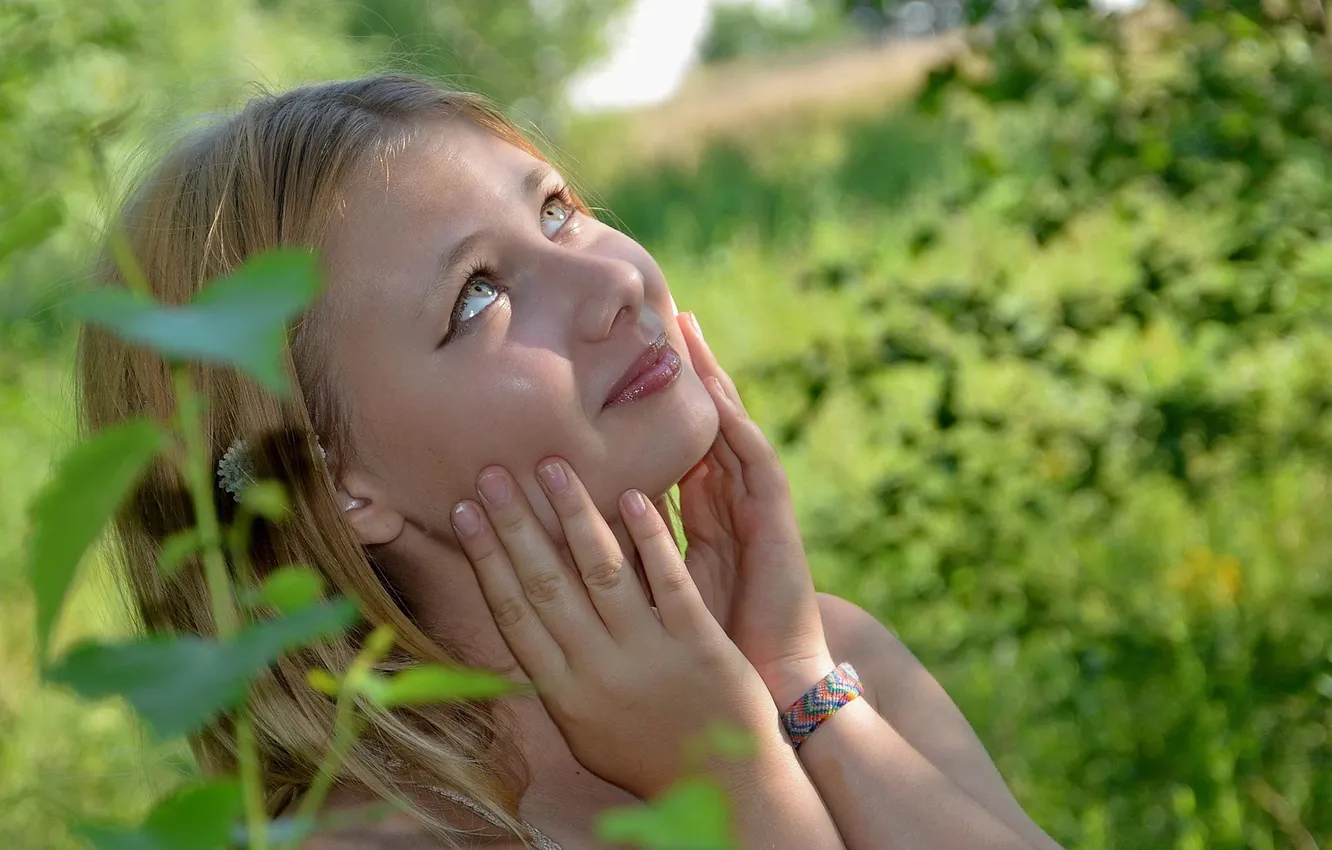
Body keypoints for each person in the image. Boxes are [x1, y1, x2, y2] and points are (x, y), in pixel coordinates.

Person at [76, 75, 1064, 849]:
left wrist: (801, 691)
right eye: (476, 295)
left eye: (557, 209)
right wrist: (732, 784)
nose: (611, 281)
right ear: (333, 480)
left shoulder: (825, 657)